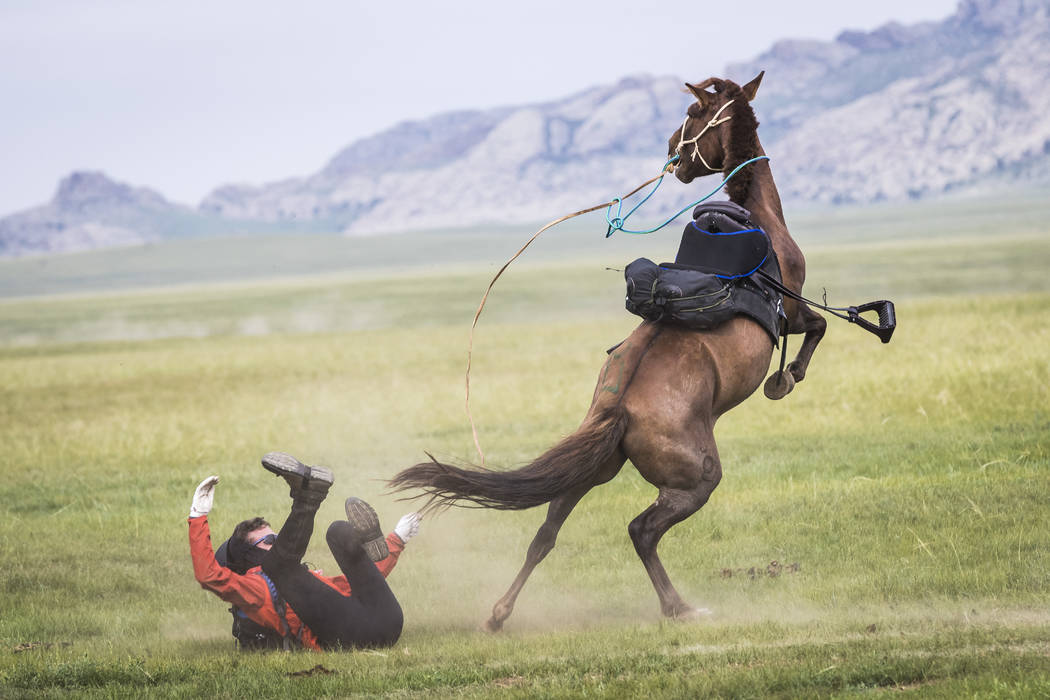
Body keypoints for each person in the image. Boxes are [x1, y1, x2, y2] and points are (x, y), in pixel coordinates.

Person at [188, 451, 422, 651]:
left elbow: (353, 585)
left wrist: (397, 538)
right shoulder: (255, 590)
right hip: (360, 636)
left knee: (338, 531)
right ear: (248, 556)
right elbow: (209, 575)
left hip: (387, 619)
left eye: (279, 537)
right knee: (277, 565)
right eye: (271, 540)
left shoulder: (302, 578)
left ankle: (312, 501)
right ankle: (307, 498)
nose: (281, 543)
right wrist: (198, 515)